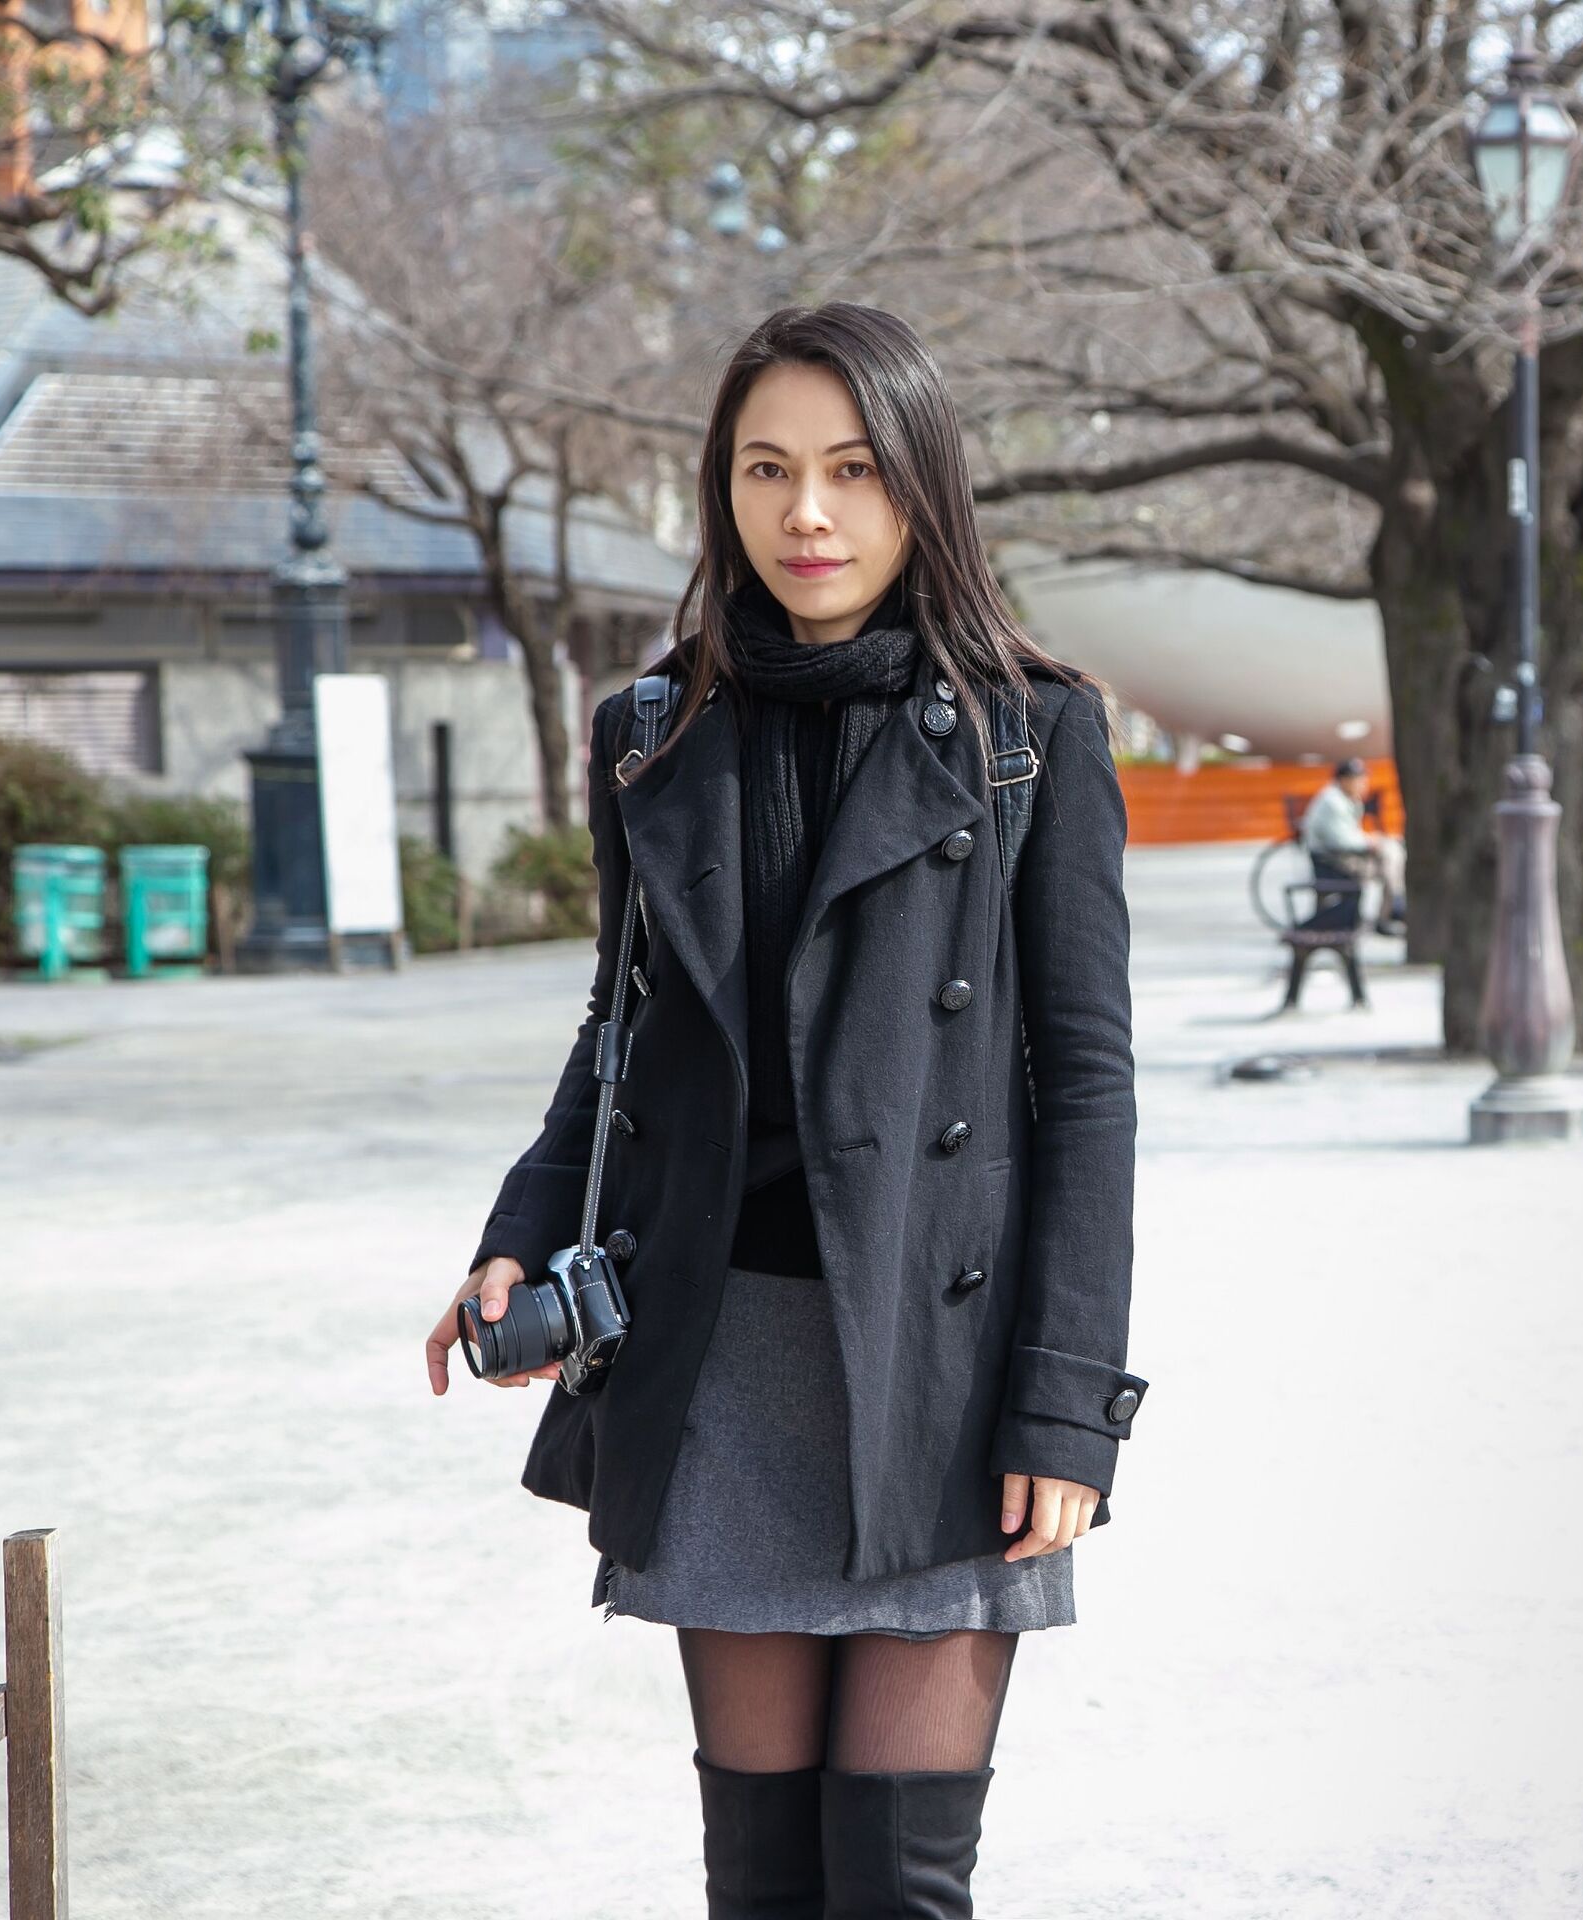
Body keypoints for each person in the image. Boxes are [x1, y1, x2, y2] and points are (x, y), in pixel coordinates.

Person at [424, 303, 1146, 1920]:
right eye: (766, 469)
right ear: (723, 490)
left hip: (939, 1369)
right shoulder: (652, 734)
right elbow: (620, 1025)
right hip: (722, 1356)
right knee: (759, 1883)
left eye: (849, 470)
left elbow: (1087, 1092)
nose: (805, 512)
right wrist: (517, 1236)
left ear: (920, 490)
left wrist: (1065, 1403)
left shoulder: (1033, 735)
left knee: (895, 1887)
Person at [1298, 755, 1407, 935]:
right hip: (1329, 861)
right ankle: (1389, 911)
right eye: (1358, 779)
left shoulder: (1345, 798)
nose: (1363, 783)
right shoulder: (1333, 802)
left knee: (1392, 856)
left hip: (1338, 857)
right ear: (1344, 780)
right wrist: (1371, 842)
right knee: (1389, 862)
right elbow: (1341, 840)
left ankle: (1391, 908)